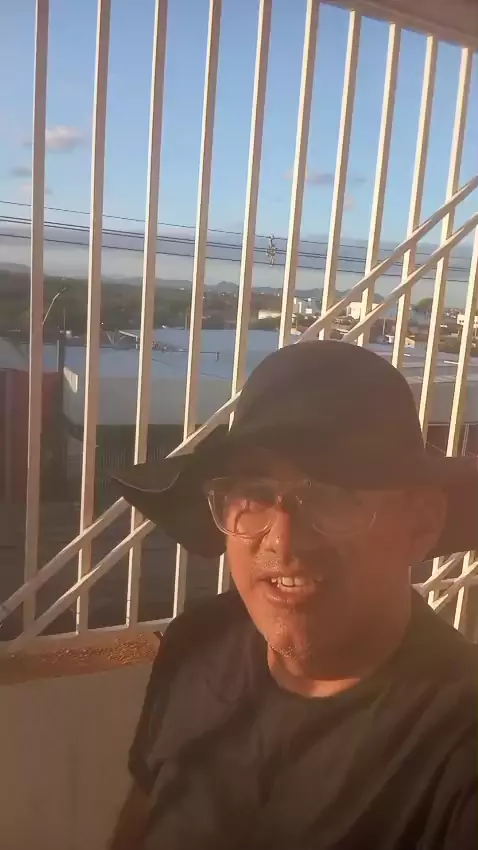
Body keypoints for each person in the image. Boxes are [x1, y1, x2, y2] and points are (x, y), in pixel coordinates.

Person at [111, 340, 478, 850]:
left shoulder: (458, 740)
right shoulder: (197, 645)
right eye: (254, 493)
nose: (283, 540)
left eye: (334, 496)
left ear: (420, 524)